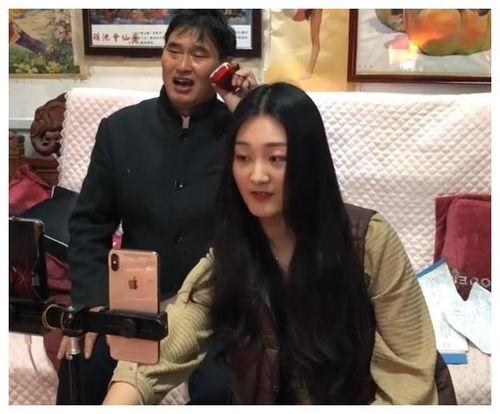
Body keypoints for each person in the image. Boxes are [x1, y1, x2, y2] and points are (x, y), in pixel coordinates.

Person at [103, 82, 443, 404]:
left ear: (308, 162)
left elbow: (408, 374)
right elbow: (177, 332)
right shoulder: (234, 248)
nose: (257, 176)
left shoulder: (368, 240)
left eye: (276, 158)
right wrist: (124, 392)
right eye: (243, 158)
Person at [56, 10, 257, 404]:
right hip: (135, 302)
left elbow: (281, 210)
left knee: (221, 387)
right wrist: (92, 300)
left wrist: (249, 113)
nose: (182, 65)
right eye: (173, 50)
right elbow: (89, 225)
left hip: (217, 307)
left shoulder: (245, 136)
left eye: (199, 54)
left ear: (224, 67)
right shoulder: (120, 130)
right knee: (85, 362)